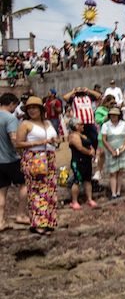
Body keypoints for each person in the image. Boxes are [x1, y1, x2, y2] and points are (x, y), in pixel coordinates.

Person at [15, 96, 59, 235]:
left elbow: (55, 139)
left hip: (50, 157)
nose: (32, 110)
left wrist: (53, 141)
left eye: (35, 107)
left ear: (41, 109)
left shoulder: (48, 123)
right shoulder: (25, 124)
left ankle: (49, 221)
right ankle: (39, 223)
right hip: (35, 158)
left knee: (50, 190)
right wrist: (39, 143)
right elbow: (19, 144)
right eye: (29, 108)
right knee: (37, 192)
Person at [0, 92, 29, 230]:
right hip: (11, 159)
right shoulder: (10, 119)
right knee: (24, 184)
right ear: (11, 104)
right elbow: (13, 138)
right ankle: (21, 214)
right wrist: (22, 154)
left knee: (2, 191)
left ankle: (0, 220)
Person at [101, 107, 125, 199]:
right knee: (113, 172)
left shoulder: (124, 124)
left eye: (115, 115)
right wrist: (111, 150)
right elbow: (104, 139)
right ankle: (113, 193)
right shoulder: (106, 125)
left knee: (120, 172)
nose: (113, 117)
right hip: (111, 150)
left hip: (122, 150)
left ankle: (118, 191)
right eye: (112, 115)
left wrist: (123, 149)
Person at [67, 118, 97, 210]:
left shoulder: (83, 135)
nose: (83, 126)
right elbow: (79, 147)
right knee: (77, 181)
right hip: (78, 161)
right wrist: (89, 152)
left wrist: (92, 150)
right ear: (76, 126)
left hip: (86, 161)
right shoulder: (73, 136)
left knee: (87, 180)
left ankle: (89, 199)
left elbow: (89, 144)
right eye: (81, 124)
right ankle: (74, 201)